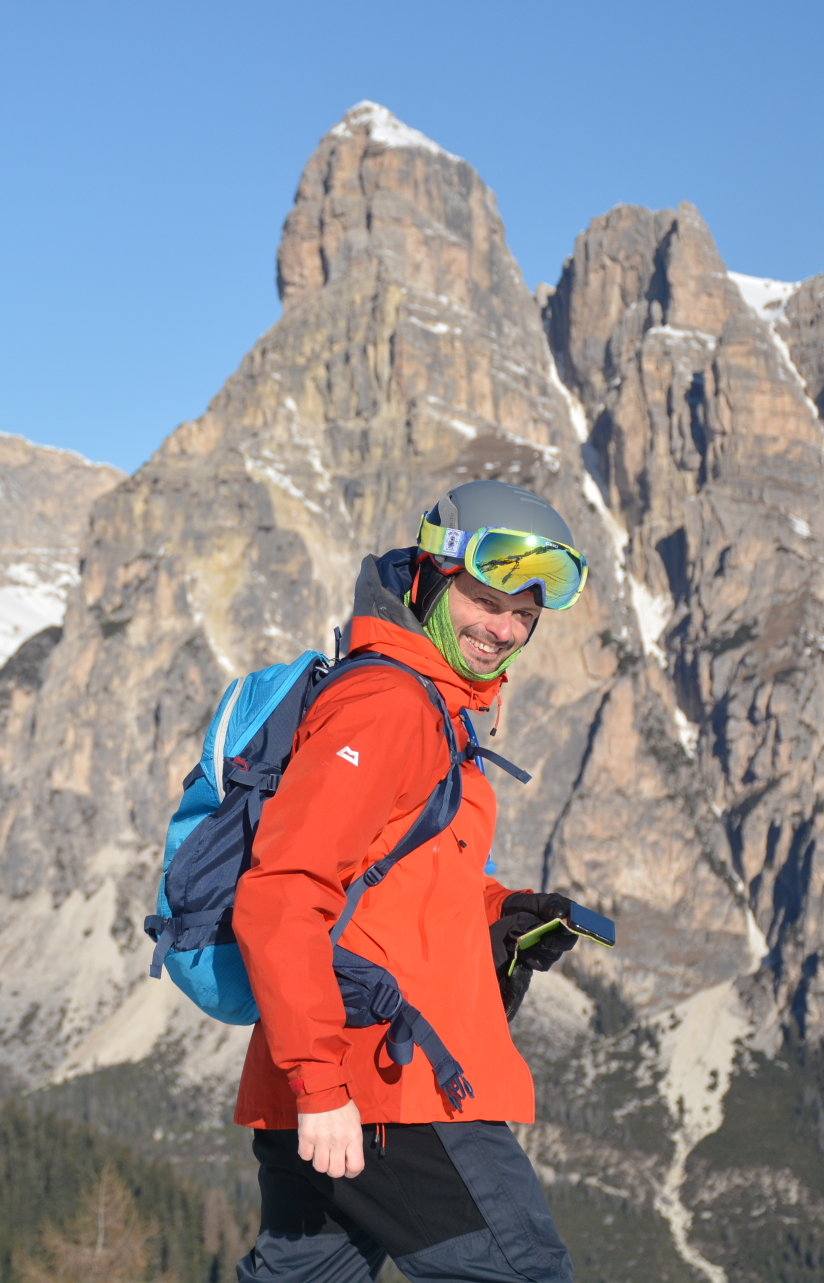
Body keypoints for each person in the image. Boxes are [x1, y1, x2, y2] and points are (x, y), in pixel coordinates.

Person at [232, 480, 588, 1283]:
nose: (504, 629)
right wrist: (322, 1084)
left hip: (337, 1084)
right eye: (486, 600)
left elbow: (388, 875)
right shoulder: (388, 703)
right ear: (432, 574)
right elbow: (282, 889)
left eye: (525, 613)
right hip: (392, 1084)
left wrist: (501, 911)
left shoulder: (430, 703)